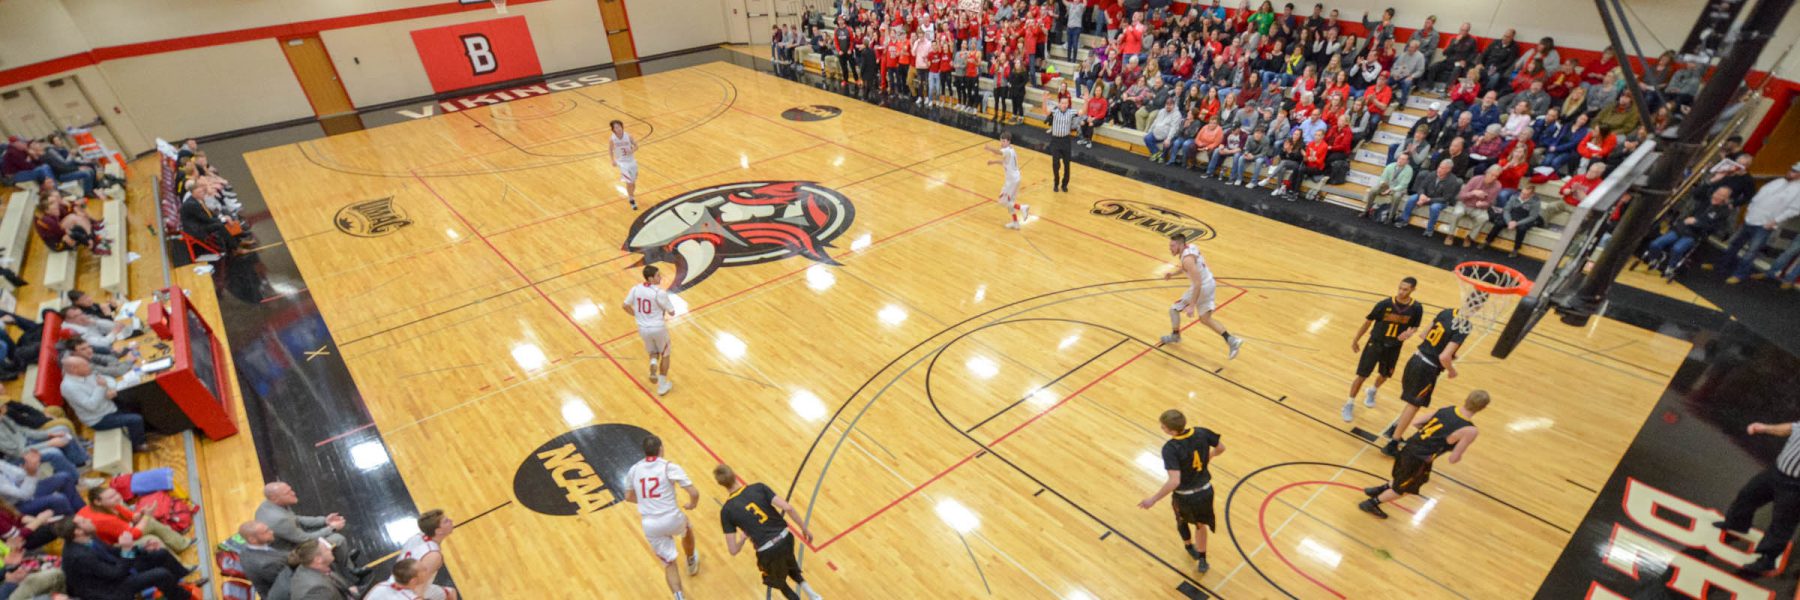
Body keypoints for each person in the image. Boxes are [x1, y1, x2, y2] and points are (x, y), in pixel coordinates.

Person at [1359, 390, 1489, 519]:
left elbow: (1416, 422)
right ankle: (1371, 503)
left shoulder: (1448, 409)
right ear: (1482, 408)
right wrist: (1453, 450)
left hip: (1408, 447)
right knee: (1405, 489)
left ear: (1467, 399)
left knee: (1402, 477)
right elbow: (1453, 459)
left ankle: (1381, 488)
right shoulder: (1470, 430)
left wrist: (1431, 436)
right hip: (1419, 459)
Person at [712, 465, 822, 600]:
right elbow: (788, 508)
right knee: (790, 564)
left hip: (767, 550)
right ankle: (814, 596)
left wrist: (742, 539)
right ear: (734, 474)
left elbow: (733, 550)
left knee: (779, 582)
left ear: (721, 484)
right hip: (786, 538)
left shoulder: (726, 511)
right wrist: (804, 529)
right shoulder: (758, 487)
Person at [1136, 409, 1225, 573]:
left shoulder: (1170, 448)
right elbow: (1221, 448)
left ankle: (1188, 545)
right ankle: (1202, 559)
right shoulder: (1201, 432)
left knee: (1181, 520)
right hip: (1205, 492)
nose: (1162, 428)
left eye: (1163, 427)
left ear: (1170, 430)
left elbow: (1174, 481)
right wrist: (1208, 458)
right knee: (1200, 526)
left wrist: (1153, 499)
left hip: (1185, 496)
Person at [1379, 306, 1470, 457]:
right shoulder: (1465, 325)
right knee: (1414, 405)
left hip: (1415, 359)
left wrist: (1444, 352)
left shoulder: (1446, 312)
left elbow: (1423, 335)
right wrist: (1452, 370)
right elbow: (1444, 357)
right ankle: (1393, 444)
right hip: (1427, 368)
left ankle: (1394, 429)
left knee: (1411, 403)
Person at [1716, 420, 1800, 574]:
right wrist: (1765, 428)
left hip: (1796, 487)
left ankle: (1767, 560)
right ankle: (1737, 523)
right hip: (1776, 471)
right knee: (1748, 495)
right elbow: (1793, 428)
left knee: (1782, 524)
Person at [625, 435, 701, 600]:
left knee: (669, 563)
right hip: (672, 518)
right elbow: (694, 492)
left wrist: (646, 500)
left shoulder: (634, 470)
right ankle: (691, 560)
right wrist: (692, 503)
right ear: (661, 449)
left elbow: (628, 496)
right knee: (686, 527)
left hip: (650, 525)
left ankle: (679, 597)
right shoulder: (668, 467)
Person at [1343, 277, 1423, 422]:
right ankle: (1349, 403)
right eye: (1400, 288)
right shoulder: (1384, 304)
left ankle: (1372, 391)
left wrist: (1409, 333)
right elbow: (1368, 322)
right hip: (1375, 343)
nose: (1401, 292)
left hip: (1394, 347)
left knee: (1385, 375)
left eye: (1405, 289)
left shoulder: (1416, 308)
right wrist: (1356, 339)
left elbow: (1415, 326)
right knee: (1362, 375)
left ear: (1413, 290)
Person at [58, 516, 195, 600]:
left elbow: (112, 551)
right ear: (77, 531)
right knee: (161, 574)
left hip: (115, 571)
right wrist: (127, 550)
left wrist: (140, 549)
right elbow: (116, 574)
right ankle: (186, 598)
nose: (88, 519)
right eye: (83, 521)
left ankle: (186, 583)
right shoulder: (80, 557)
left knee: (160, 554)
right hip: (109, 590)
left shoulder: (88, 536)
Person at [1159, 232, 1244, 358]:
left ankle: (1175, 335)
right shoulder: (1191, 247)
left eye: (1172, 246)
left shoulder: (1187, 259)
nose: (1170, 248)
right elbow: (1187, 268)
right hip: (1210, 283)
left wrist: (1192, 305)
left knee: (1174, 309)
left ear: (1180, 245)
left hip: (1202, 287)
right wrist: (1173, 274)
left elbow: (1197, 283)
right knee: (1205, 319)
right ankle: (1232, 340)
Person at [1720, 164, 1800, 284]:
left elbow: (1793, 210)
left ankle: (1739, 274)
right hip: (1751, 218)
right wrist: (1750, 209)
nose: (1790, 172)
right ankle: (1722, 266)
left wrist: (1775, 221)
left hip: (1765, 225)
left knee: (1751, 251)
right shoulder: (1778, 181)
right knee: (1735, 244)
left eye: (1794, 171)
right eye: (1791, 169)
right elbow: (1760, 194)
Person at [1640, 186, 1734, 275]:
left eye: (1721, 195)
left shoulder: (1723, 212)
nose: (1717, 196)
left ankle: (1671, 267)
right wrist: (1712, 181)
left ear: (1725, 199)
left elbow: (1714, 228)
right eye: (1717, 193)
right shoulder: (1705, 200)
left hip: (1695, 234)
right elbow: (1696, 193)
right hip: (1681, 228)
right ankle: (1654, 259)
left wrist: (1696, 223)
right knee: (1655, 244)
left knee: (1677, 249)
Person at [59, 355, 146, 451]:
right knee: (135, 419)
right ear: (74, 369)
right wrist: (101, 388)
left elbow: (106, 380)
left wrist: (109, 389)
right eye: (85, 365)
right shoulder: (69, 387)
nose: (89, 367)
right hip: (99, 419)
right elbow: (91, 406)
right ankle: (137, 446)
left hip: (108, 406)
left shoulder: (84, 373)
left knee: (136, 401)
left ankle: (145, 431)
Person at [78, 486, 190, 551]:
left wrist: (142, 514)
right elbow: (133, 535)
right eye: (111, 497)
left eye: (115, 493)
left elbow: (132, 518)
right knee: (151, 539)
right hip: (113, 548)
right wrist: (146, 516)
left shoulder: (107, 504)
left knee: (149, 522)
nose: (117, 497)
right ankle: (179, 567)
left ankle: (181, 543)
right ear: (98, 502)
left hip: (121, 534)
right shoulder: (102, 519)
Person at [624, 265, 677, 396]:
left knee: (653, 351)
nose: (661, 277)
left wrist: (637, 315)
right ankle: (662, 385)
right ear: (651, 278)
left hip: (643, 328)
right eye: (658, 275)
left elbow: (625, 306)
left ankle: (653, 364)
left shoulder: (636, 289)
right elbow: (672, 312)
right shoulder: (659, 293)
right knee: (665, 354)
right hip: (658, 328)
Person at [255, 482, 348, 551]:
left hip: (294, 534)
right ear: (275, 498)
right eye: (287, 493)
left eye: (290, 490)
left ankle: (344, 562)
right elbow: (305, 540)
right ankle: (348, 570)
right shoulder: (279, 519)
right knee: (337, 539)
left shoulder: (269, 503)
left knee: (327, 532)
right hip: (292, 550)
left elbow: (297, 518)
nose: (293, 493)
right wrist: (332, 528)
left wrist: (324, 521)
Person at [391, 509, 457, 600]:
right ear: (438, 531)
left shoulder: (418, 536)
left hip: (395, 581)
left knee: (450, 593)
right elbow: (419, 587)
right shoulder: (433, 556)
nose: (451, 521)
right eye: (446, 521)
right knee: (450, 594)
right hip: (407, 592)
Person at [0, 453, 83, 516]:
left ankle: (84, 513)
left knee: (64, 477)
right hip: (16, 507)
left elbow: (20, 474)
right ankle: (75, 525)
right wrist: (31, 474)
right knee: (59, 499)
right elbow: (24, 495)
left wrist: (31, 467)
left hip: (25, 491)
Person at [1396, 159, 1463, 233]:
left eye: (1442, 168)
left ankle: (1429, 229)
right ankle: (1404, 220)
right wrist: (1421, 195)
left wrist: (1429, 200)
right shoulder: (1433, 174)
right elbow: (1421, 187)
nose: (1439, 169)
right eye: (1439, 167)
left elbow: (1446, 198)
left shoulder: (1452, 181)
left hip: (1440, 201)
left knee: (1434, 207)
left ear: (1449, 170)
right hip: (1426, 196)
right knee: (1412, 199)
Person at [985, 132, 1029, 229]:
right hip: (1016, 179)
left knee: (1002, 201)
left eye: (1004, 141)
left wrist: (989, 148)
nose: (1002, 143)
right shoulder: (1011, 149)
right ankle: (1015, 222)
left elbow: (999, 152)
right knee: (1010, 202)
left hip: (1012, 181)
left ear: (1009, 141)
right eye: (1001, 141)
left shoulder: (1007, 151)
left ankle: (1022, 208)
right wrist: (993, 162)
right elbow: (1004, 162)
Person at [287, 538, 356, 600]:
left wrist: (348, 591)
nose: (330, 548)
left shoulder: (304, 566)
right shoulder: (319, 589)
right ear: (318, 559)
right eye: (326, 549)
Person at [236, 521, 288, 599]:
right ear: (253, 540)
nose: (272, 532)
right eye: (266, 532)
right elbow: (288, 581)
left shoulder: (246, 548)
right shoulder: (266, 565)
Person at [1045, 96, 1083, 193]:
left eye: (1066, 103)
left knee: (1067, 164)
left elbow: (1083, 112)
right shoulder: (1055, 111)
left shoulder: (1071, 112)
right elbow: (1045, 111)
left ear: (1068, 104)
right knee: (1055, 163)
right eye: (1062, 103)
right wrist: (1044, 100)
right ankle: (1056, 182)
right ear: (1059, 103)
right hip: (1056, 140)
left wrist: (1086, 101)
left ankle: (1064, 184)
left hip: (1066, 140)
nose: (1064, 105)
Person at [1361, 152, 1413, 220]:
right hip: (1387, 186)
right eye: (1399, 158)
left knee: (1397, 196)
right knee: (1373, 190)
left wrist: (1391, 190)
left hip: (1399, 188)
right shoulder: (1390, 166)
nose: (1400, 160)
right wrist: (1383, 183)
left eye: (1403, 159)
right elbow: (1382, 178)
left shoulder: (1409, 170)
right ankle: (1366, 211)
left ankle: (1390, 217)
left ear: (1407, 161)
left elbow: (1403, 185)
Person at [609, 120, 640, 210]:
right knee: (629, 182)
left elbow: (637, 146)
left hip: (631, 161)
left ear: (622, 126)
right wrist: (612, 160)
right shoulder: (612, 139)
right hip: (622, 162)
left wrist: (632, 150)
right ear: (613, 129)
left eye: (619, 126)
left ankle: (631, 195)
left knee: (633, 183)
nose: (618, 129)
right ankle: (632, 200)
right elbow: (610, 150)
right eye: (615, 127)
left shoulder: (628, 136)